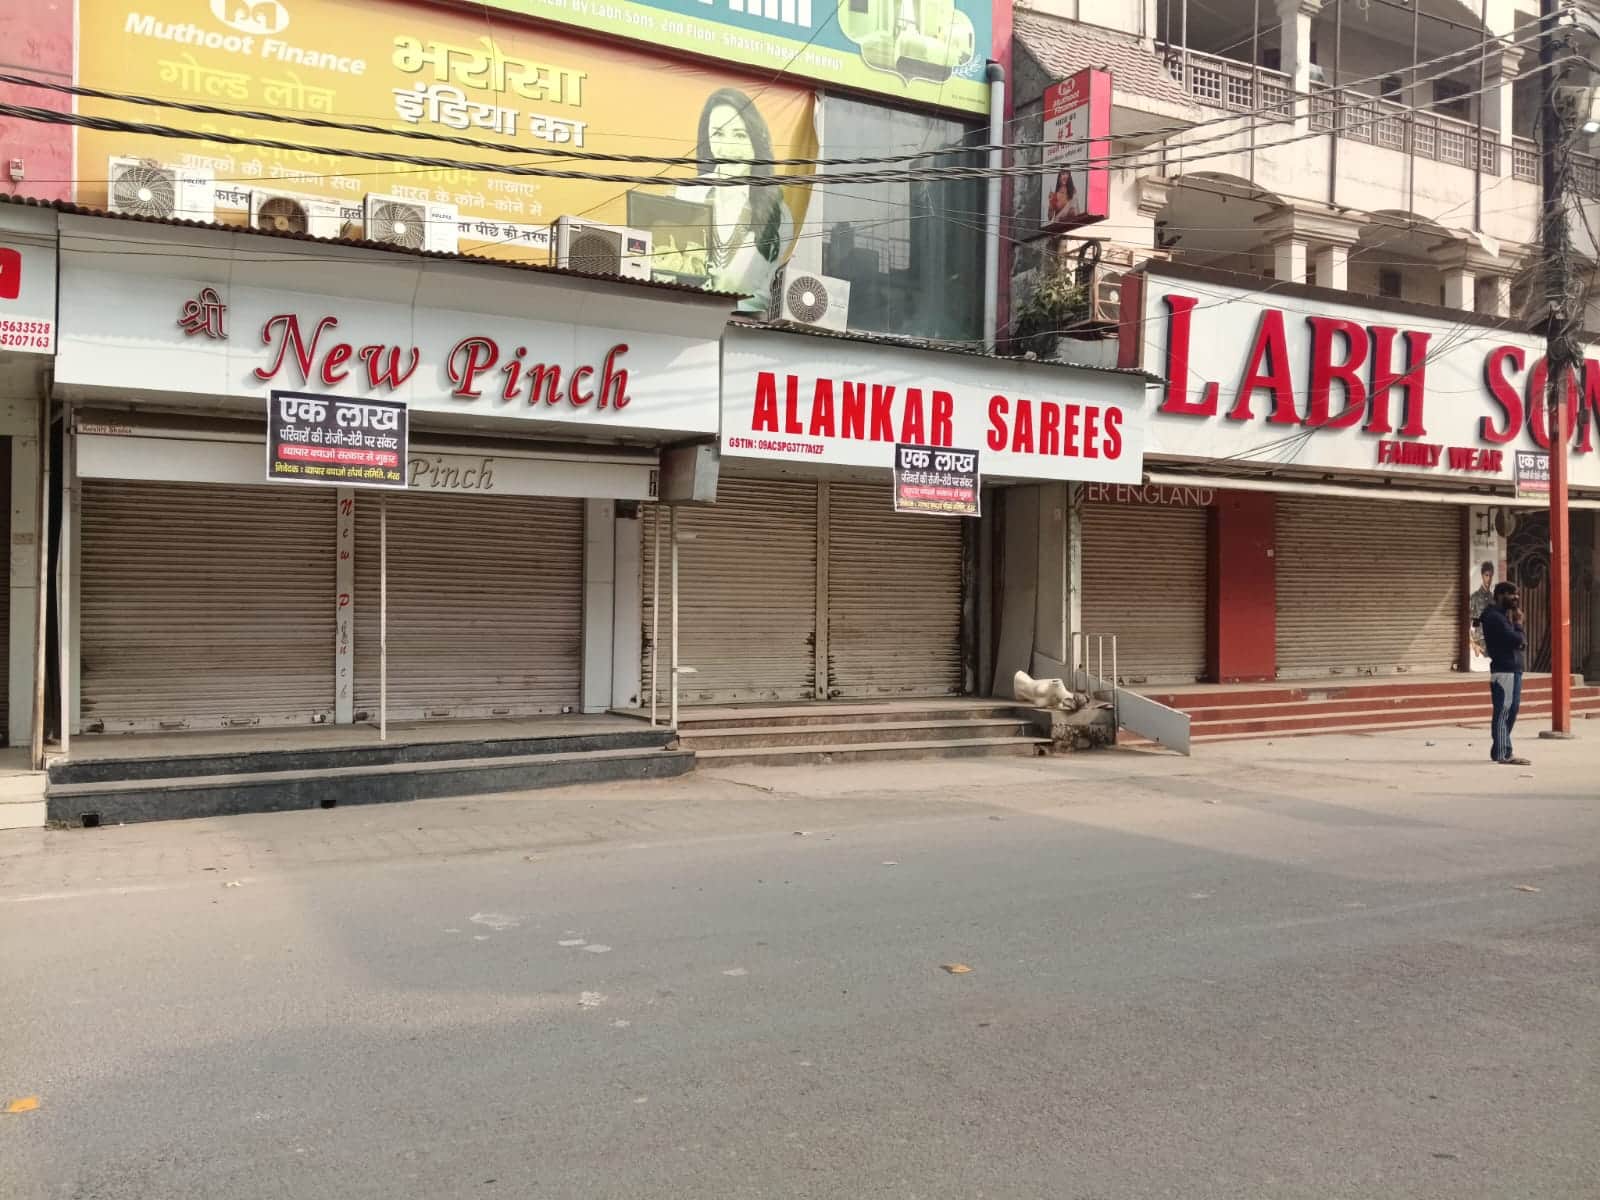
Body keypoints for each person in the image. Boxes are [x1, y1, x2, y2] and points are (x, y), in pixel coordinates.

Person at [676, 88, 793, 311]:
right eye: (718, 134)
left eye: (739, 135)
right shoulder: (685, 193)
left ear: (756, 140)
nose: (728, 148)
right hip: (680, 315)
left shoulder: (777, 213)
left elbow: (762, 294)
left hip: (740, 324)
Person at [1479, 580, 1529, 765]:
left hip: (1512, 670)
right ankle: (1503, 753)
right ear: (1500, 595)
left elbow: (1519, 641)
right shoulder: (1495, 617)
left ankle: (1500, 749)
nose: (1516, 598)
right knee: (1504, 712)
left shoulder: (1502, 616)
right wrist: (1519, 624)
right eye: (1512, 594)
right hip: (1505, 670)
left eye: (1517, 594)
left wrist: (1517, 632)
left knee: (1511, 711)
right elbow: (1517, 640)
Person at [1467, 560, 1494, 660]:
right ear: (1482, 576)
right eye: (1486, 575)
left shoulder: (1493, 598)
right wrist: (1473, 643)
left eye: (1491, 575)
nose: (1489, 578)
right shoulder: (1475, 597)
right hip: (1478, 643)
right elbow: (1468, 621)